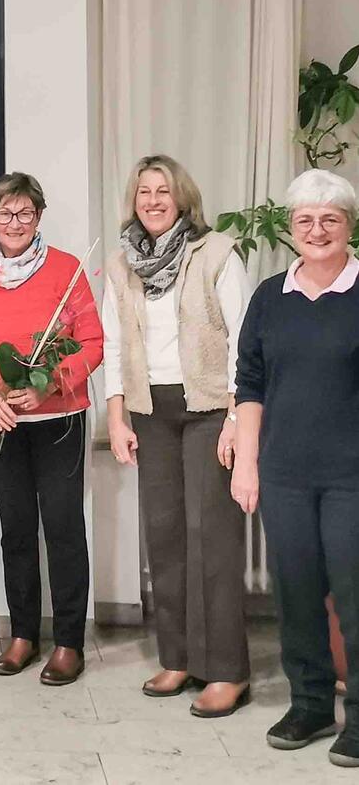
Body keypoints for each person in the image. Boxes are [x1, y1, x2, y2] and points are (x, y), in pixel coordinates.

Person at [103, 155, 252, 717]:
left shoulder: (217, 254)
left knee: (211, 533)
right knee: (163, 532)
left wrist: (237, 417)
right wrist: (117, 416)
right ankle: (179, 657)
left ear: (182, 197)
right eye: (144, 191)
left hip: (212, 407)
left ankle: (228, 670)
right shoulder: (123, 265)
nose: (153, 200)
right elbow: (116, 347)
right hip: (151, 409)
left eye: (163, 190)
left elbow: (243, 340)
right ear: (134, 200)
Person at [0, 172, 103, 686]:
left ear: (38, 217)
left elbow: (92, 342)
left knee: (62, 530)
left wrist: (50, 387)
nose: (15, 223)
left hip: (58, 420)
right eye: (4, 214)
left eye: (25, 214)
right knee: (15, 530)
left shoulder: (67, 269)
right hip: (3, 423)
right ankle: (22, 634)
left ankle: (68, 642)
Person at [233, 169, 359, 767]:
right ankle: (309, 703)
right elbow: (250, 386)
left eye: (330, 219)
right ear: (290, 228)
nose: (317, 230)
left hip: (351, 477)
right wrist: (247, 467)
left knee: (356, 596)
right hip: (283, 473)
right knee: (297, 593)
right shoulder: (268, 296)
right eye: (305, 220)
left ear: (348, 226)